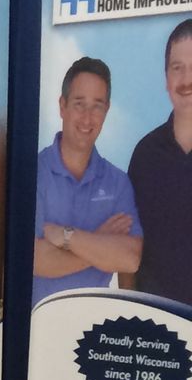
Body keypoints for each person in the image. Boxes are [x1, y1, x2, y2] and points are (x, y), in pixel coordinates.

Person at [33, 56, 142, 307]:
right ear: (62, 106)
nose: (87, 117)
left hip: (94, 333)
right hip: (37, 330)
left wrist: (66, 237)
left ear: (107, 111)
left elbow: (130, 259)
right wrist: (101, 245)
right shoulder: (34, 174)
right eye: (79, 104)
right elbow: (36, 260)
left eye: (97, 106)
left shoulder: (118, 183)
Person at [128, 20, 192, 304]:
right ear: (166, 78)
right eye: (178, 68)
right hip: (157, 333)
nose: (187, 79)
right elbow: (130, 245)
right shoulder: (145, 155)